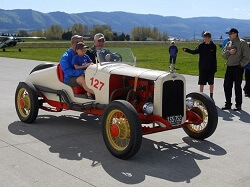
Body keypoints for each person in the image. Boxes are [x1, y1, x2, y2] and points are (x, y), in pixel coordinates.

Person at [183, 32, 217, 101]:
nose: (205, 39)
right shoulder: (201, 46)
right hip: (203, 67)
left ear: (209, 38)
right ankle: (201, 96)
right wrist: (187, 50)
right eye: (204, 38)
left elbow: (214, 57)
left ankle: (211, 96)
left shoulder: (213, 46)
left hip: (211, 67)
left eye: (207, 38)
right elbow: (194, 52)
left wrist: (215, 67)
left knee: (211, 82)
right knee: (201, 82)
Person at [221, 28, 250, 110]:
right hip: (229, 67)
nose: (229, 35)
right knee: (226, 86)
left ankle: (238, 104)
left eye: (230, 34)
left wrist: (241, 65)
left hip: (238, 67)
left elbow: (247, 57)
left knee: (237, 87)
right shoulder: (229, 43)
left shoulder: (242, 43)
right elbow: (223, 55)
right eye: (228, 34)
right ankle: (228, 103)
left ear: (235, 34)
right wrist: (229, 52)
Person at [59, 35, 94, 99]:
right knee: (82, 79)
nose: (83, 44)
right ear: (75, 44)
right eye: (81, 42)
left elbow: (90, 62)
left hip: (83, 74)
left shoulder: (83, 54)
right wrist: (82, 71)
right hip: (70, 78)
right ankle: (97, 95)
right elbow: (68, 71)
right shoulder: (66, 57)